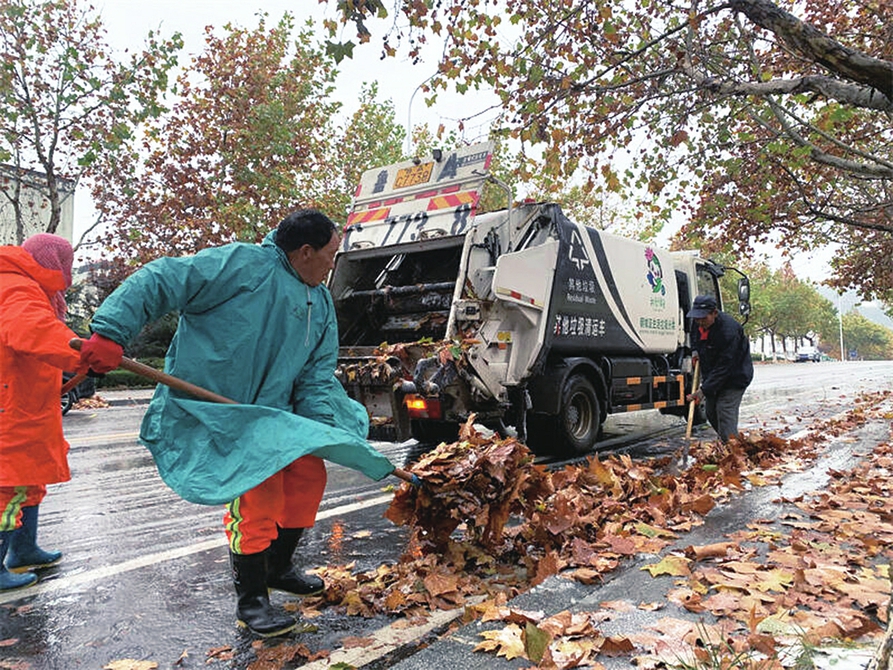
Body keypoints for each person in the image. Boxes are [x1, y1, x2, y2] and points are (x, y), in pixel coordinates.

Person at [78, 209, 396, 638]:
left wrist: (322, 429)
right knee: (257, 498)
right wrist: (112, 331)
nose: (333, 264)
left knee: (307, 478)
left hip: (278, 415)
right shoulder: (241, 266)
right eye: (330, 254)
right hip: (222, 410)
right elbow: (163, 279)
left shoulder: (318, 302)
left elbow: (317, 376)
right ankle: (252, 603)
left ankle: (278, 569)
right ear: (305, 252)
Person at [0, 233, 84, 592]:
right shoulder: (16, 287)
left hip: (26, 402)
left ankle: (24, 549)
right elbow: (32, 329)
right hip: (11, 407)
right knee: (7, 487)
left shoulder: (24, 285)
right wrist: (84, 356)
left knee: (29, 481)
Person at [685, 294, 753, 442]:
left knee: (724, 410)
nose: (700, 322)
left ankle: (733, 452)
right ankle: (728, 441)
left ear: (714, 313)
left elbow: (725, 367)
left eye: (703, 318)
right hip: (713, 374)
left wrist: (703, 390)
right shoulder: (698, 322)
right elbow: (695, 337)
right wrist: (695, 351)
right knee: (710, 412)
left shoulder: (729, 331)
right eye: (697, 318)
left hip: (735, 376)